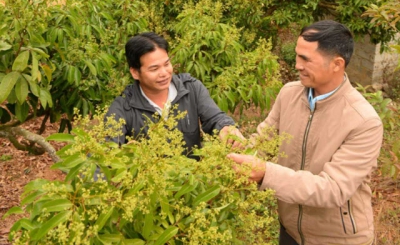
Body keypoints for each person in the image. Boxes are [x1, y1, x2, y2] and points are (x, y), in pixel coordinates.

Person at [228, 20, 383, 245]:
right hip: (290, 230)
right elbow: (264, 141)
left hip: (337, 239)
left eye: (306, 59)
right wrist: (237, 147)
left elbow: (333, 189)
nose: (297, 65)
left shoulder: (363, 121)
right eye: (297, 56)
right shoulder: (289, 94)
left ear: (337, 64)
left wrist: (265, 173)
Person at [105, 32, 243, 158]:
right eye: (154, 69)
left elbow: (215, 117)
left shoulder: (191, 88)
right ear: (135, 72)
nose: (164, 73)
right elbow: (107, 152)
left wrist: (227, 127)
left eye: (167, 64)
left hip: (192, 182)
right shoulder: (123, 107)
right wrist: (124, 155)